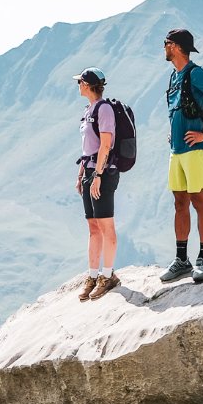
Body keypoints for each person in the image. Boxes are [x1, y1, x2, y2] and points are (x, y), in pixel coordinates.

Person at [157, 29, 203, 284]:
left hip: (196, 150)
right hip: (177, 150)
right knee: (180, 203)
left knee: (199, 201)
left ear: (176, 47)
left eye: (166, 43)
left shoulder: (195, 73)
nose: (164, 47)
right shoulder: (174, 76)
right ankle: (181, 260)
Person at [73, 67, 121, 301]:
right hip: (90, 171)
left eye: (79, 82)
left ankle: (108, 275)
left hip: (103, 173)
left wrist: (99, 175)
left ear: (86, 84)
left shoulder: (104, 109)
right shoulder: (89, 110)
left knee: (105, 225)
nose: (78, 86)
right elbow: (88, 148)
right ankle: (93, 276)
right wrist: (81, 174)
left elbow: (106, 144)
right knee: (93, 226)